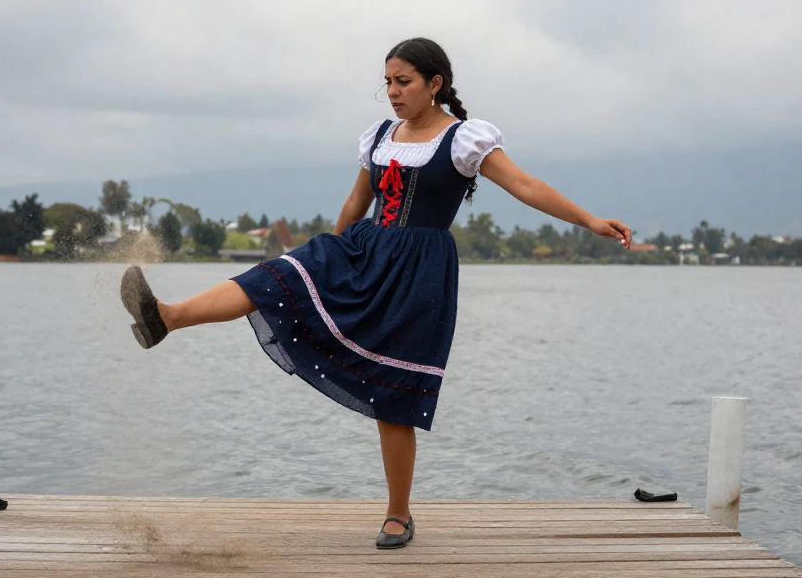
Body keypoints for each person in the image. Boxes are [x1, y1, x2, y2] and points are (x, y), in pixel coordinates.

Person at [120, 37, 632, 550]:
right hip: (363, 251)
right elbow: (356, 199)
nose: (392, 91)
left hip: (418, 273)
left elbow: (526, 185)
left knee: (394, 394)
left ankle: (398, 515)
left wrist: (589, 220)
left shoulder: (463, 140)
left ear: (435, 85)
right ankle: (167, 316)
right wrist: (327, 256)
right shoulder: (380, 137)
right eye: (387, 81)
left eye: (403, 81)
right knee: (276, 274)